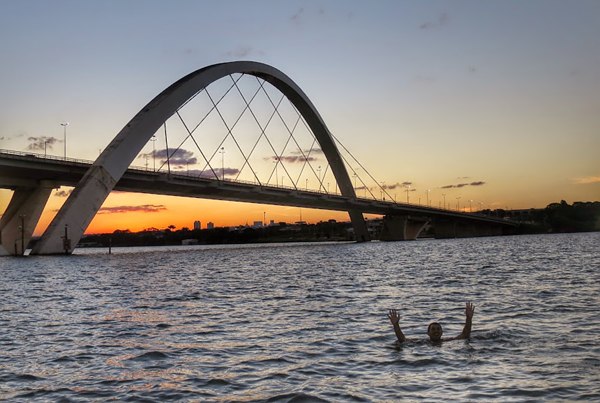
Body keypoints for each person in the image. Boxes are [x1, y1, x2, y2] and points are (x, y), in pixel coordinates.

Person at [388, 302, 475, 343]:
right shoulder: (421, 342)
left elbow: (465, 335)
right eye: (433, 329)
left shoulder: (447, 341)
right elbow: (402, 339)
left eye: (438, 329)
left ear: (442, 332)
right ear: (428, 333)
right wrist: (396, 325)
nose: (436, 331)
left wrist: (468, 318)